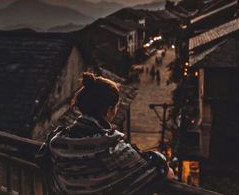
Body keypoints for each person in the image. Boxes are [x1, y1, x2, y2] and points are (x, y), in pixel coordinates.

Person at [36, 72, 173, 194]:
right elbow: (160, 169)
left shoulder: (57, 142)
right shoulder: (113, 147)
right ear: (109, 110)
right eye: (116, 107)